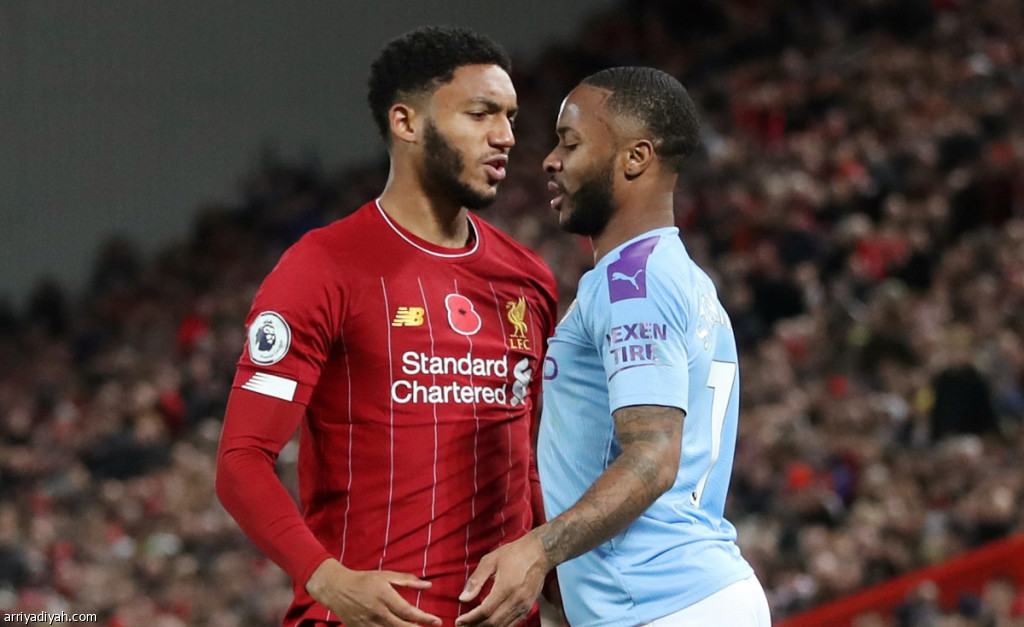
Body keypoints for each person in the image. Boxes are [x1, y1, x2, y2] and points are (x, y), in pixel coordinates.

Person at [215, 26, 557, 627]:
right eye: (480, 114)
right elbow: (242, 460)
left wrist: (555, 581)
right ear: (406, 122)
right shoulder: (321, 268)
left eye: (509, 117)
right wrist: (328, 579)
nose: (505, 136)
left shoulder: (528, 279)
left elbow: (525, 461)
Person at [457, 67, 770, 626]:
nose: (550, 160)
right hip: (692, 596)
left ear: (635, 158)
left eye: (570, 143)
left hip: (660, 604)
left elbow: (653, 456)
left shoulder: (632, 285)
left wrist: (538, 550)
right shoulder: (679, 277)